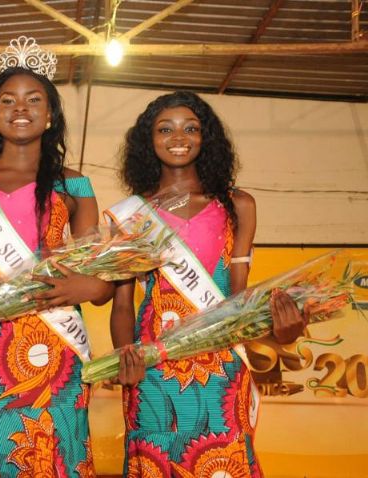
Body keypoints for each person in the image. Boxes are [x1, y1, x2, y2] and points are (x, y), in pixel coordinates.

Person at [0, 36, 112, 476]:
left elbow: (102, 281)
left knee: (57, 451)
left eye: (33, 99)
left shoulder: (75, 184)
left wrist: (80, 287)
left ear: (50, 115)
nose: (20, 108)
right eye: (7, 100)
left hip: (57, 343)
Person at [107, 91, 307, 477]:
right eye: (165, 129)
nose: (178, 137)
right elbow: (122, 303)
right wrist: (123, 357)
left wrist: (282, 328)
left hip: (222, 364)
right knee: (156, 456)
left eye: (190, 128)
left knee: (221, 457)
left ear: (205, 137)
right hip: (153, 366)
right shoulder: (133, 214)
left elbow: (239, 295)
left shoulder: (238, 205)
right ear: (148, 140)